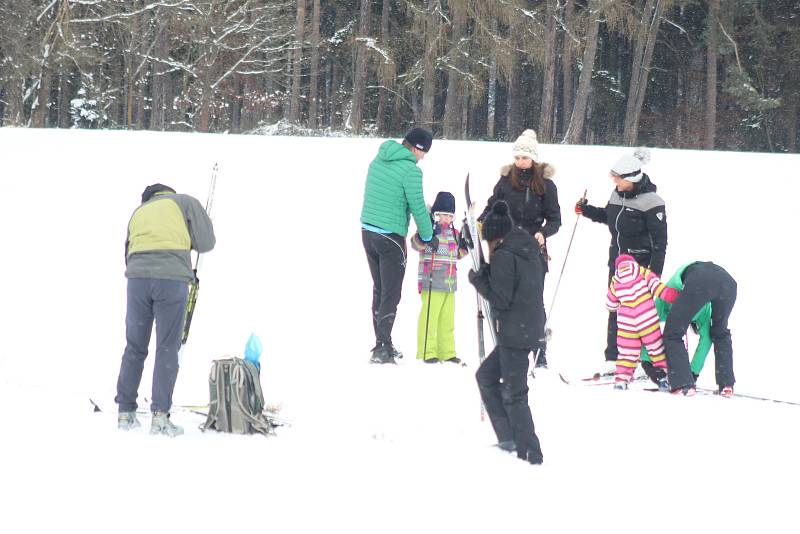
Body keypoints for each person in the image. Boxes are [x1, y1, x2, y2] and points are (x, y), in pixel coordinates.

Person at [115, 183, 216, 436]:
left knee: (135, 346)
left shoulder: (138, 213)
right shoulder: (183, 202)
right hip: (170, 280)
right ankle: (160, 416)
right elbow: (206, 242)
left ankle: (125, 412)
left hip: (137, 280)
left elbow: (127, 252)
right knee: (167, 347)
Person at [575, 148, 667, 372]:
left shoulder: (653, 201)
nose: (614, 182)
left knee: (642, 315)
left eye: (617, 178)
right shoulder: (617, 194)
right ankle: (614, 358)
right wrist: (586, 210)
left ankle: (649, 361)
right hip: (617, 263)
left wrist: (654, 275)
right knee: (616, 309)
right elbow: (608, 217)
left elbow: (660, 242)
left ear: (631, 178)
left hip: (641, 267)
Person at [469, 200, 545, 465]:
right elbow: (514, 282)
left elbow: (500, 298)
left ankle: (531, 453)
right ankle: (508, 438)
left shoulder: (503, 254)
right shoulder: (525, 246)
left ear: (494, 237)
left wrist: (479, 280)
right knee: (486, 377)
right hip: (528, 327)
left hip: (515, 333)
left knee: (515, 395)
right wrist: (490, 273)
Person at [479, 129, 561, 368]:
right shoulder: (505, 181)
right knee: (503, 301)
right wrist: (481, 222)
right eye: (516, 158)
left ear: (533, 158)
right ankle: (505, 345)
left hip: (533, 253)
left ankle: (539, 350)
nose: (519, 162)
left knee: (533, 303)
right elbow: (492, 206)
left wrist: (543, 233)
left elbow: (555, 220)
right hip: (505, 250)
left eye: (524, 158)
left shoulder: (546, 185)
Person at [361, 127, 436, 364]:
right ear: (416, 148)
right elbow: (418, 207)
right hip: (391, 238)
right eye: (423, 153)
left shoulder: (379, 158)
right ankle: (382, 348)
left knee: (380, 288)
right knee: (390, 293)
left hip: (368, 232)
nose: (423, 158)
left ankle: (383, 342)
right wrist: (428, 235)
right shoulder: (410, 171)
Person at [653, 262, 738, 397]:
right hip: (728, 284)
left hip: (700, 282)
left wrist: (647, 363)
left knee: (672, 334)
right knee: (719, 332)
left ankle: (683, 384)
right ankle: (726, 384)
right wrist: (693, 372)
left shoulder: (661, 302)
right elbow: (707, 340)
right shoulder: (701, 308)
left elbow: (646, 329)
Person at [410, 192, 469, 364]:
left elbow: (458, 254)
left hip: (449, 284)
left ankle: (447, 352)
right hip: (432, 281)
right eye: (443, 214)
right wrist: (426, 237)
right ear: (435, 214)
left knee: (447, 320)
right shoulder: (428, 230)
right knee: (430, 317)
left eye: (450, 215)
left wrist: (464, 246)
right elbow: (415, 244)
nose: (446, 219)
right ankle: (427, 351)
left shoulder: (455, 233)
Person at [605, 254, 678, 390]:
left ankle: (621, 380)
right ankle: (664, 377)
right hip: (647, 319)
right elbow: (659, 289)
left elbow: (610, 304)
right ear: (633, 262)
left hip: (627, 324)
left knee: (627, 353)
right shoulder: (642, 272)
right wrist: (675, 296)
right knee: (656, 349)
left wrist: (619, 304)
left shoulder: (615, 281)